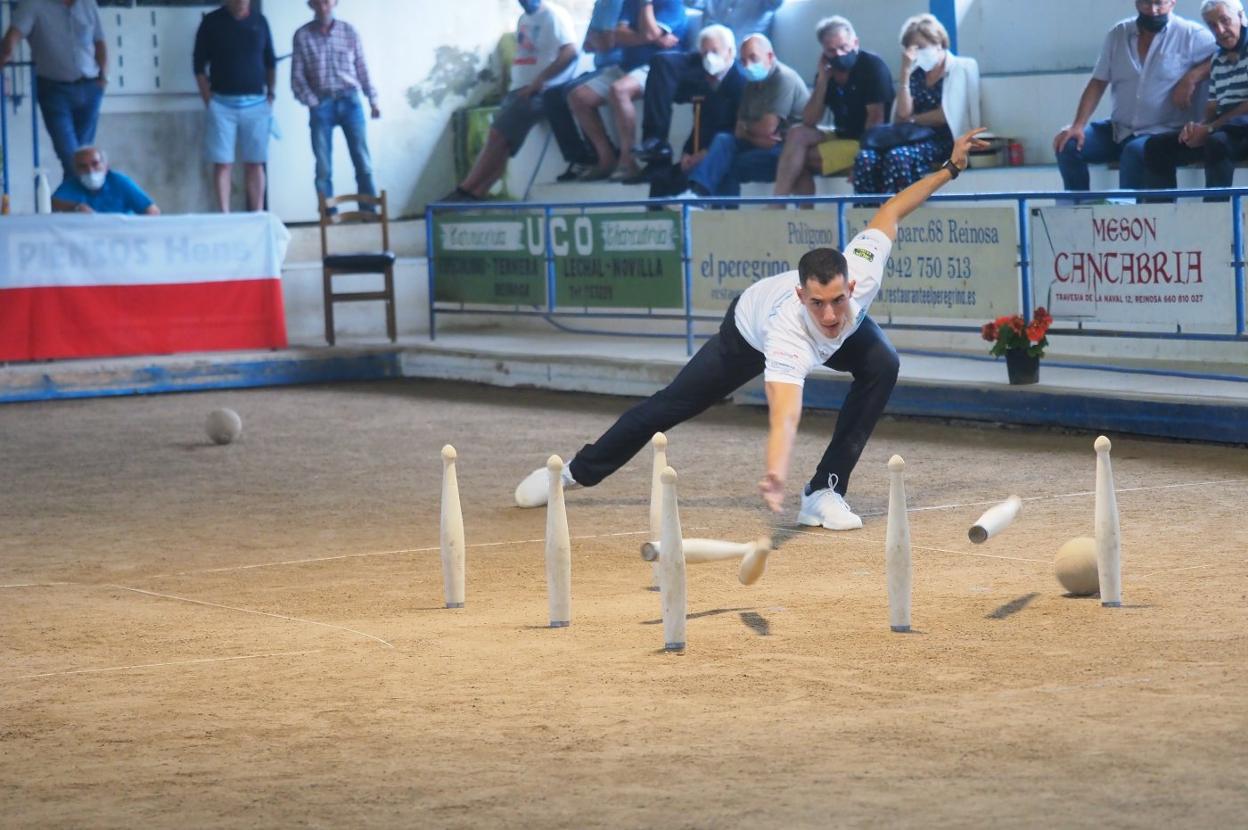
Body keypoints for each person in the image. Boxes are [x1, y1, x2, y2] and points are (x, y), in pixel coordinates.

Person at [514, 129, 991, 527]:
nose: (830, 315)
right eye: (819, 304)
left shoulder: (863, 268)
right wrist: (775, 471)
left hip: (831, 329)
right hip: (746, 333)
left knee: (883, 363)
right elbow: (785, 414)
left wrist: (950, 168)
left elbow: (890, 211)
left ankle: (824, 492)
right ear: (804, 296)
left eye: (838, 300)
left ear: (851, 286)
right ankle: (574, 473)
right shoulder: (788, 332)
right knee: (669, 406)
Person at [1053, 0, 1216, 196]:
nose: (1153, 10)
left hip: (1162, 131)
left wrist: (1192, 76)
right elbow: (1098, 82)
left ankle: (1126, 217)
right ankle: (1076, 209)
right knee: (1067, 144)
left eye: (1160, 3)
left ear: (1173, 2)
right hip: (1119, 129)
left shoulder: (1191, 35)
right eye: (1147, 3)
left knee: (1133, 152)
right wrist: (1078, 125)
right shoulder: (1118, 34)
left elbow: (1222, 55)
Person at [444, 0, 578, 201]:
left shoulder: (554, 15)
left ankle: (465, 190)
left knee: (497, 135)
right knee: (501, 143)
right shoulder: (524, 18)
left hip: (538, 92)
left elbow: (570, 52)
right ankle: (476, 193)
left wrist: (540, 80)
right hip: (518, 89)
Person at [631, 0, 785, 173]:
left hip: (738, 62)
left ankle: (706, 161)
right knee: (663, 61)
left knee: (728, 96)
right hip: (704, 57)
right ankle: (655, 141)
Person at [853, 13, 978, 195]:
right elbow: (903, 114)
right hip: (912, 138)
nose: (916, 54)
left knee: (897, 157)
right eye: (911, 49)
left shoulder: (959, 68)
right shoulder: (916, 74)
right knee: (866, 158)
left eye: (921, 47)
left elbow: (945, 115)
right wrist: (905, 72)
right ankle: (868, 216)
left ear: (939, 43)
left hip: (942, 139)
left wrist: (913, 120)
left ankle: (897, 213)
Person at [772, 16, 893, 200]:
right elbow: (810, 120)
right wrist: (822, 80)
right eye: (832, 50)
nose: (839, 54)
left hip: (867, 141)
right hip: (841, 134)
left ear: (855, 42)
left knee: (797, 160)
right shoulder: (827, 73)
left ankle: (799, 214)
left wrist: (864, 158)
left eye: (844, 47)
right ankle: (779, 203)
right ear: (824, 52)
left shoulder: (872, 66)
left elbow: (876, 119)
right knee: (796, 134)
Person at [676, 33, 808, 198]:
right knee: (724, 140)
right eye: (744, 60)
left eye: (753, 58)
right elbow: (740, 128)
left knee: (728, 164)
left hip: (787, 150)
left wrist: (748, 131)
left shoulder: (783, 78)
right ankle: (697, 196)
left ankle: (714, 209)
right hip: (761, 144)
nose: (748, 65)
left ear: (770, 56)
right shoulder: (751, 83)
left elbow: (767, 128)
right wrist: (753, 133)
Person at [568, 0, 687, 181]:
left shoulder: (672, 3)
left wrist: (646, 8)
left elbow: (650, 32)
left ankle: (627, 162)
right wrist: (649, 38)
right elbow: (618, 35)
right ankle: (606, 158)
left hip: (656, 68)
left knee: (619, 91)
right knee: (578, 97)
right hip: (626, 67)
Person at [1143, 0, 1248, 196]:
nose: (1220, 30)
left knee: (1217, 142)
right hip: (1222, 130)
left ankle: (1215, 215)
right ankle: (1162, 213)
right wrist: (1198, 127)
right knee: (1156, 146)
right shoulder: (1218, 58)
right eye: (1212, 25)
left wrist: (1210, 129)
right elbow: (1213, 106)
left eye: (1225, 21)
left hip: (1241, 131)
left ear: (1241, 17)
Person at [0, 0, 107, 182]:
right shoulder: (33, 5)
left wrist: (104, 77)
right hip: (55, 90)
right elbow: (11, 39)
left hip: (90, 88)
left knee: (84, 157)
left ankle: (77, 206)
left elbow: (100, 43)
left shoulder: (87, 5)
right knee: (71, 157)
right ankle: (79, 206)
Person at [291, 0, 381, 209]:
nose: (323, 7)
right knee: (323, 167)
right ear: (311, 5)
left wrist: (373, 100)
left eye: (327, 1)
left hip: (350, 101)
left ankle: (368, 212)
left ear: (334, 3)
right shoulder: (302, 35)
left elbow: (362, 68)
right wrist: (314, 103)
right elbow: (297, 77)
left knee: (363, 161)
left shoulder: (349, 32)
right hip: (322, 104)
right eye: (318, 2)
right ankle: (328, 216)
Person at [193, 0, 277, 213]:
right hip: (221, 105)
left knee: (255, 162)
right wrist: (208, 100)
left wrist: (271, 95)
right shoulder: (211, 22)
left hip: (257, 104)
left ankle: (257, 213)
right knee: (222, 163)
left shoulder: (261, 21)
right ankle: (224, 214)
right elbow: (198, 64)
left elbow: (270, 61)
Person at [646, 24, 745, 198]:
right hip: (699, 153)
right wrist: (687, 153)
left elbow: (738, 128)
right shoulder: (704, 83)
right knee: (661, 180)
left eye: (715, 51)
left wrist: (705, 154)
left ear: (729, 52)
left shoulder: (740, 81)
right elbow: (699, 125)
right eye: (705, 53)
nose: (709, 57)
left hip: (724, 152)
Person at [50, 146, 159, 215]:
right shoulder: (71, 185)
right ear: (76, 170)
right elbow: (53, 203)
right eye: (83, 166)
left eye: (95, 164)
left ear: (105, 166)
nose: (90, 170)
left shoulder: (119, 181)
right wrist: (76, 207)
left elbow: (152, 211)